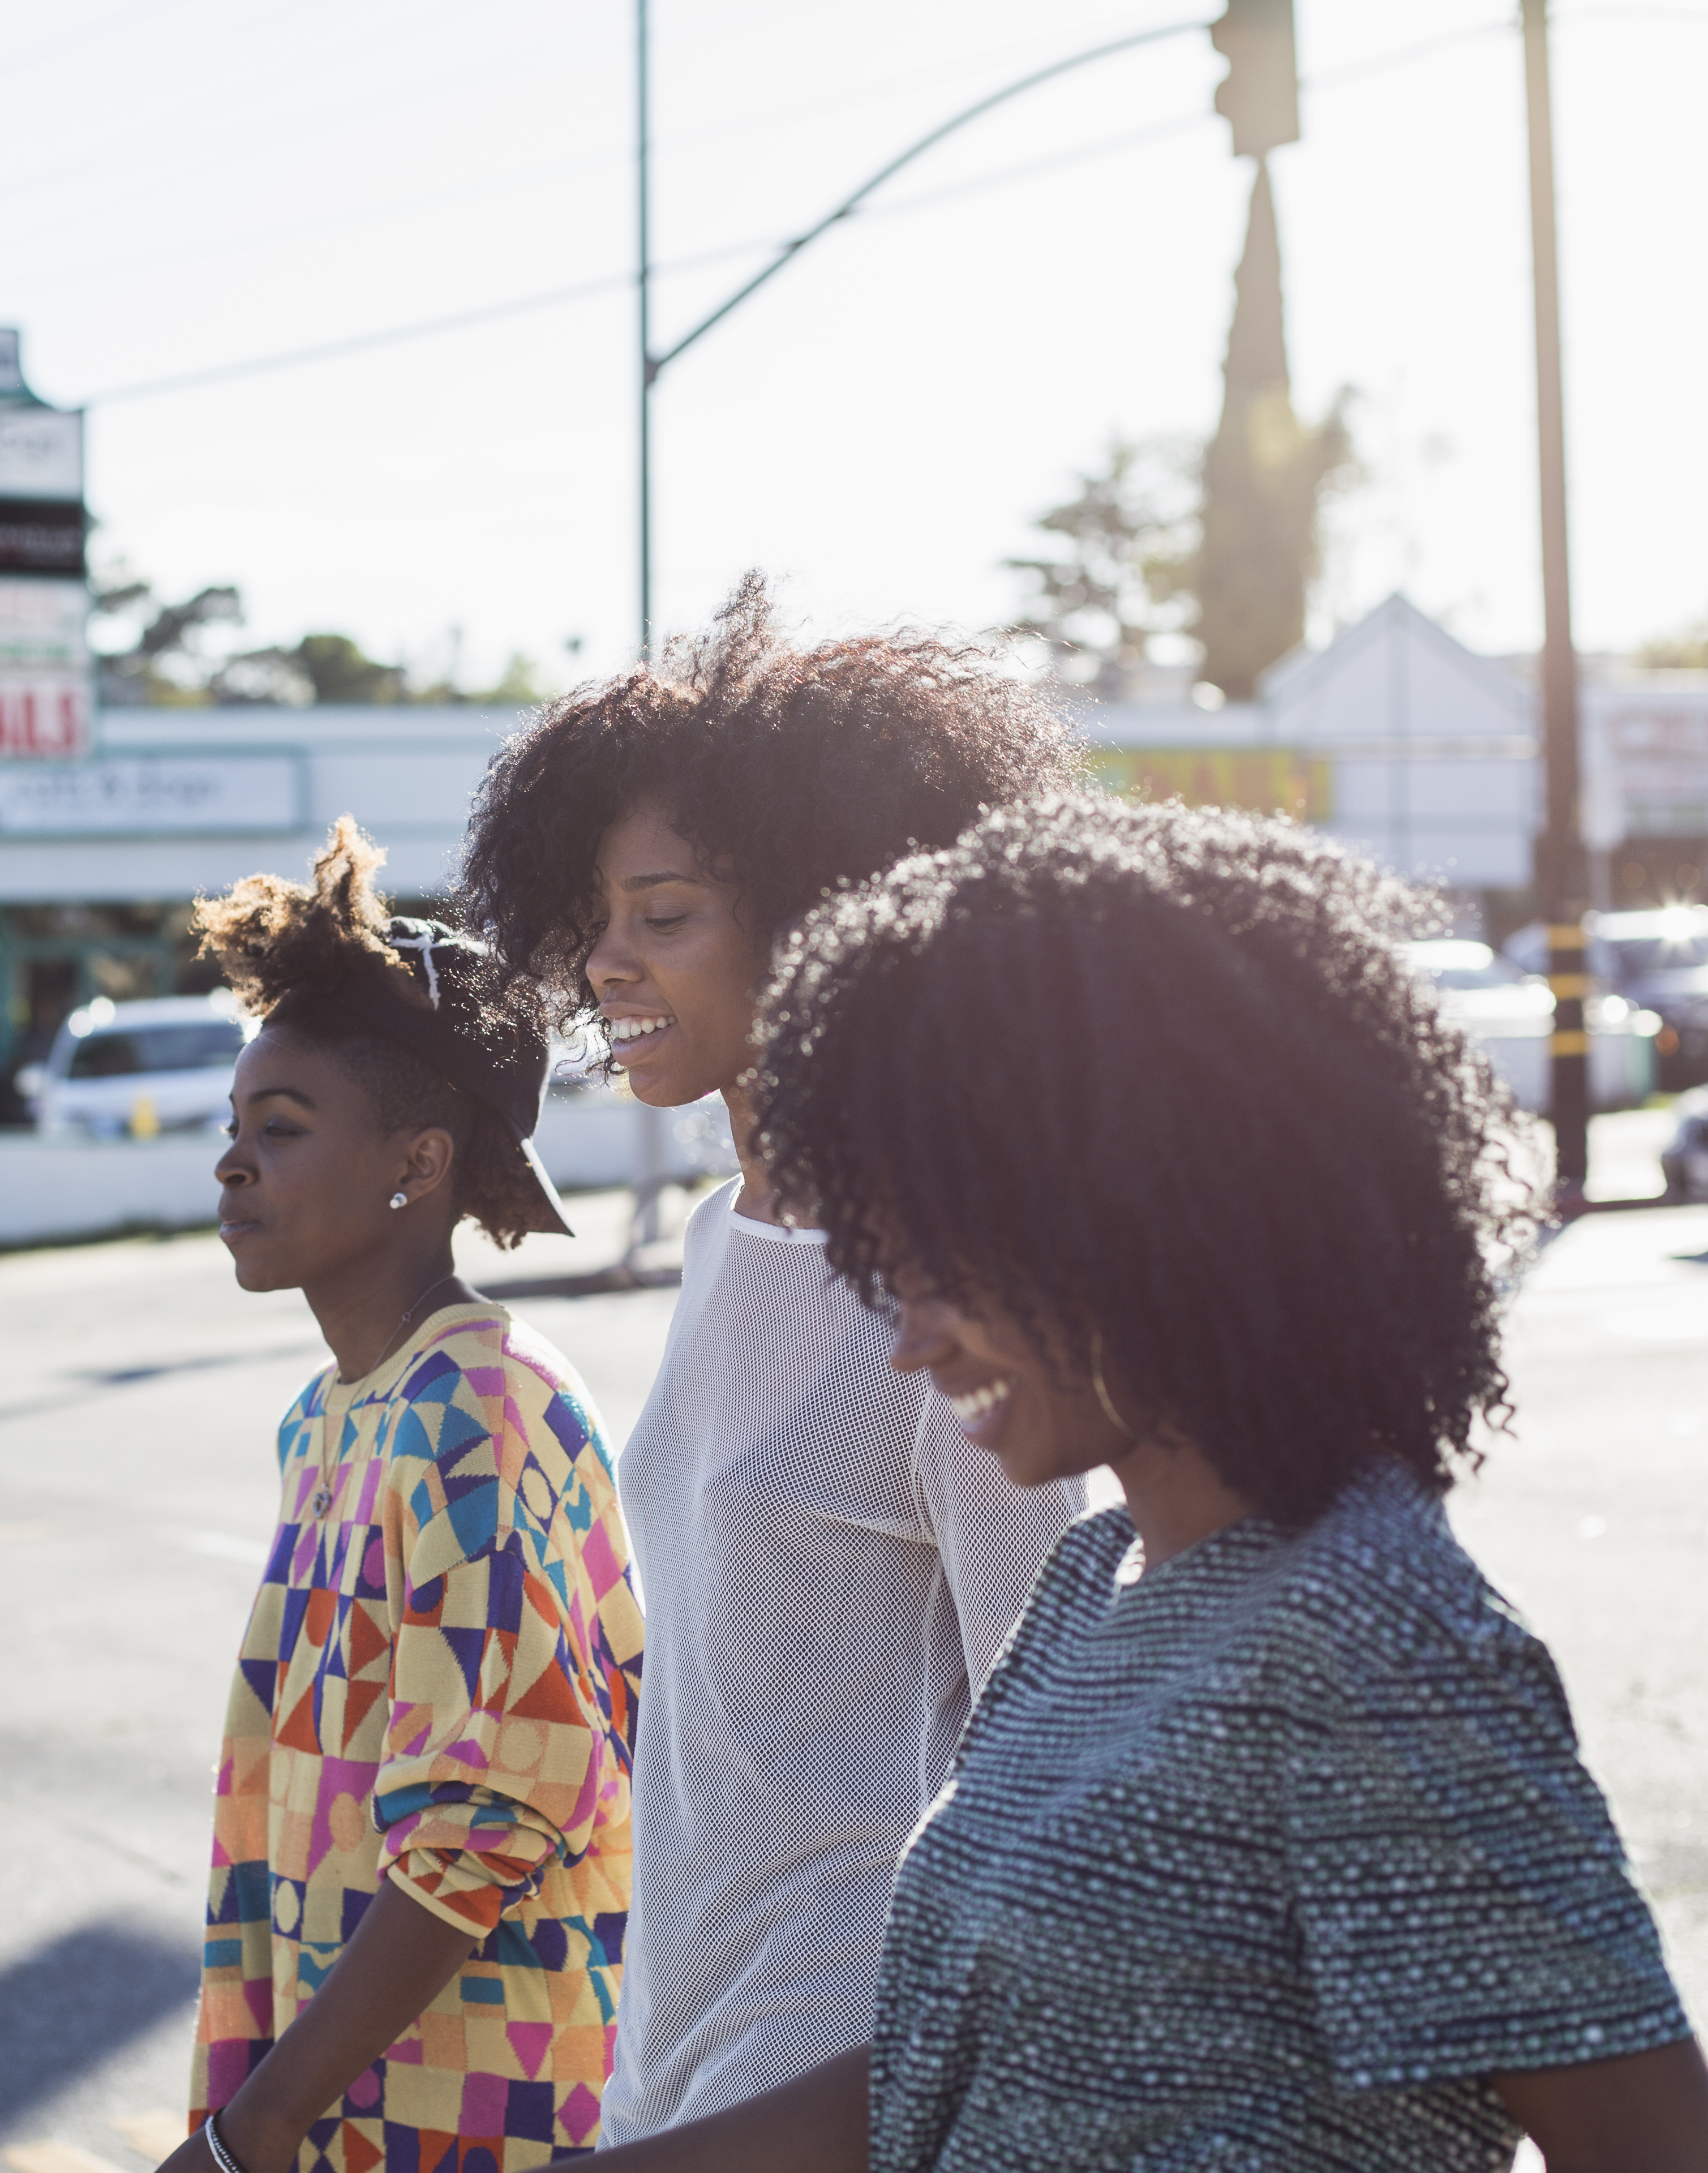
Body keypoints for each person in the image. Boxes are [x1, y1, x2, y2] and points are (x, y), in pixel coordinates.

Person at [570, 793, 1708, 2172]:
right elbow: (950, 2056)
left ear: (1137, 1218)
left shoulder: (1366, 1637)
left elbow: (1655, 2148)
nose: (907, 1330)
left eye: (945, 1258)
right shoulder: (1088, 1580)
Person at [456, 578, 1090, 2145]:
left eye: (664, 917)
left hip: (844, 2061)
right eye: (592, 923)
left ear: (830, 926)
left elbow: (1062, 1748)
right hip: (669, 2036)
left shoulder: (954, 1294)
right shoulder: (734, 1234)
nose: (607, 965)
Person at [169, 818, 648, 2173]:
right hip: (331, 2099)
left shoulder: (475, 1412)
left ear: (417, 1162)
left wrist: (243, 2134)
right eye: (233, 1125)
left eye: (280, 1126)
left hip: (457, 2114)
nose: (231, 1163)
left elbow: (483, 1817)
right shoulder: (328, 1417)